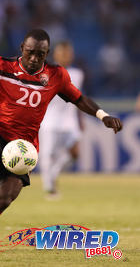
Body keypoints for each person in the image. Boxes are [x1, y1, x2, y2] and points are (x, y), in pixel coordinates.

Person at [0, 29, 123, 251]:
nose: (35, 58)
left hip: (23, 147)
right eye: (30, 52)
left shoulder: (56, 75)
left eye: (41, 54)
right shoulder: (2, 67)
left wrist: (103, 116)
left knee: (3, 199)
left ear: (47, 53)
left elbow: (79, 98)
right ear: (21, 49)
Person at [39, 41, 84, 198]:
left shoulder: (78, 74)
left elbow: (78, 98)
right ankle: (49, 188)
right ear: (56, 54)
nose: (66, 55)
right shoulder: (46, 73)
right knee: (47, 154)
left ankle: (53, 173)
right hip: (50, 119)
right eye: (62, 52)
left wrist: (80, 119)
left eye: (68, 52)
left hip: (69, 120)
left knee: (75, 153)